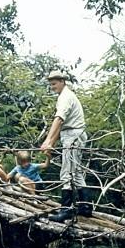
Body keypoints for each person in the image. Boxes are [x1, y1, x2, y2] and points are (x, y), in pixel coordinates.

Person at [40, 70, 92, 221]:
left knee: (66, 172)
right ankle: (85, 206)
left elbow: (58, 120)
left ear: (62, 81)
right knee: (75, 172)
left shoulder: (65, 97)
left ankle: (66, 209)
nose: (52, 86)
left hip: (73, 136)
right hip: (73, 134)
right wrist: (51, 143)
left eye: (54, 83)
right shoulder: (66, 96)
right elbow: (61, 124)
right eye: (51, 84)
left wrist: (48, 141)